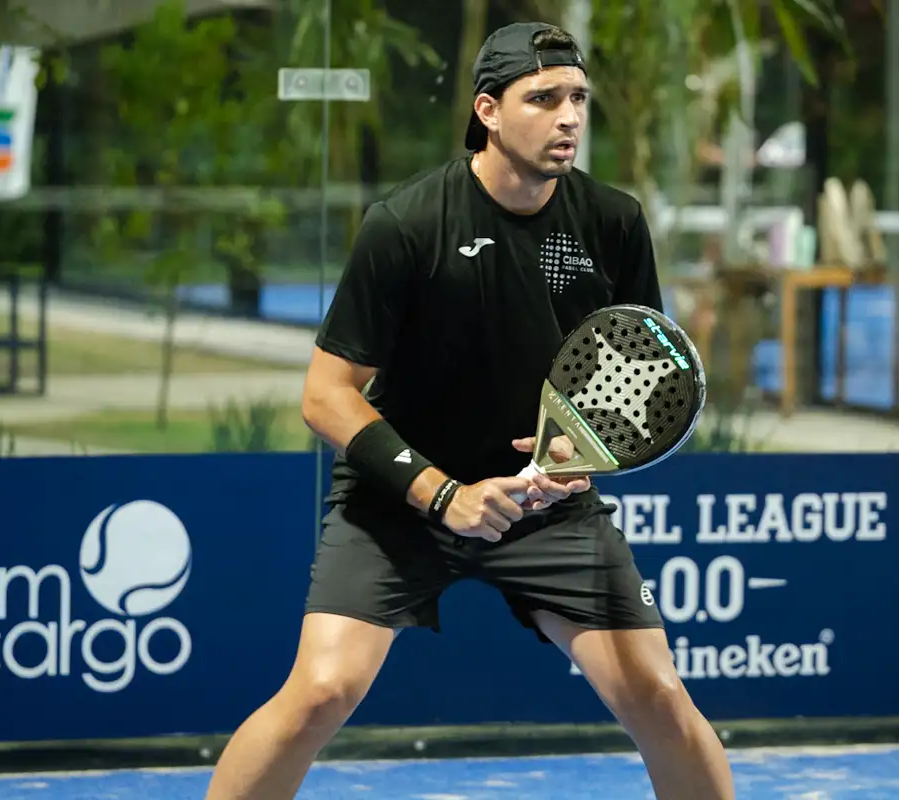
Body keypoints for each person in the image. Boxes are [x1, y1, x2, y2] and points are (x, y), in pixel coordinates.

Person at [204, 21, 736, 800]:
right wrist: (441, 494)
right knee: (320, 691)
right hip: (401, 503)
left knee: (660, 697)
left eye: (579, 98)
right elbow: (325, 396)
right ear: (488, 110)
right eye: (544, 97)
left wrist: (573, 464)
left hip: (549, 512)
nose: (569, 117)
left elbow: (643, 373)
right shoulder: (408, 224)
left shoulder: (612, 222)